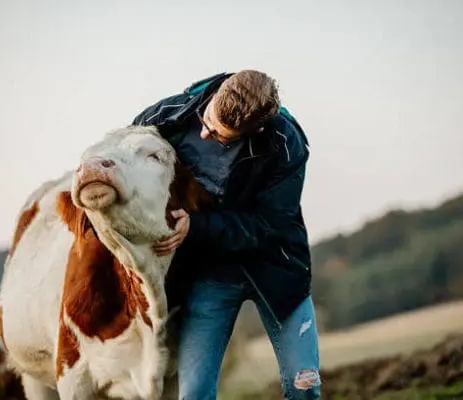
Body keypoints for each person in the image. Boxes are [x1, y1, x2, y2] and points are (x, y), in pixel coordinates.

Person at [132, 70, 321, 399]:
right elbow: (126, 155)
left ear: (257, 130)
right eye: (207, 119)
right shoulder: (169, 115)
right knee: (193, 395)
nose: (204, 134)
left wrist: (195, 227)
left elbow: (267, 225)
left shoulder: (286, 144)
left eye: (220, 136)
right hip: (210, 273)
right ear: (216, 95)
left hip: (276, 269)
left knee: (305, 386)